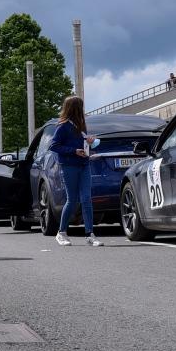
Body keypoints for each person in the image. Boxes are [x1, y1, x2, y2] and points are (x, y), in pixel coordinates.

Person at [50, 94, 102, 247]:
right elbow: (54, 146)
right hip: (69, 166)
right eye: (80, 107)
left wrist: (90, 142)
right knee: (72, 200)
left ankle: (90, 234)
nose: (83, 110)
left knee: (86, 199)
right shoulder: (63, 126)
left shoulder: (81, 125)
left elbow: (84, 144)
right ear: (74, 108)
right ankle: (61, 232)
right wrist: (74, 151)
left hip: (84, 164)